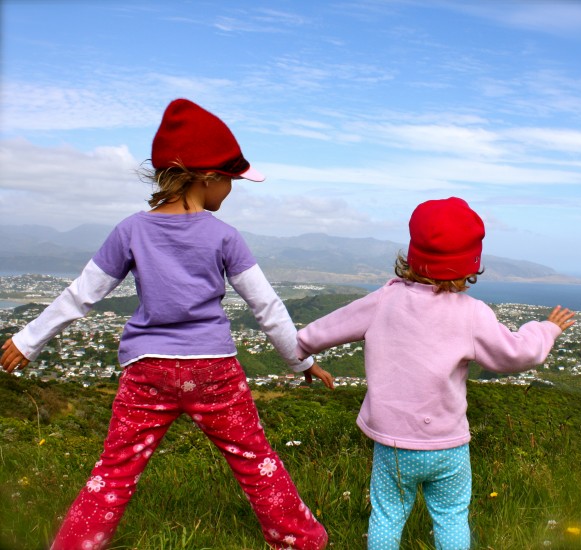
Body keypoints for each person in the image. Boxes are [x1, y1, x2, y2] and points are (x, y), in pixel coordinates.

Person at [1, 98, 334, 550]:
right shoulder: (224, 236)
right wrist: (301, 362)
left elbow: (82, 292)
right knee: (256, 461)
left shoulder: (130, 230)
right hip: (213, 369)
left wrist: (27, 340)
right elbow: (268, 308)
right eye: (231, 181)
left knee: (114, 472)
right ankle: (302, 541)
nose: (232, 191)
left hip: (147, 368)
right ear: (208, 177)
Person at [295, 197, 575, 550]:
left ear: (412, 255)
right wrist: (547, 329)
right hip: (448, 445)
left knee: (387, 514)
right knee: (451, 515)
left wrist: (303, 352)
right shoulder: (471, 313)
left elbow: (321, 331)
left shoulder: (383, 300)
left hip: (393, 445)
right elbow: (518, 353)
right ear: (470, 264)